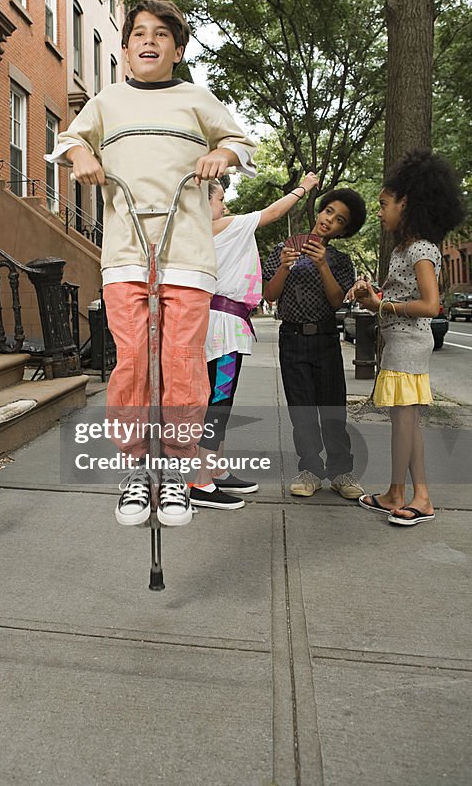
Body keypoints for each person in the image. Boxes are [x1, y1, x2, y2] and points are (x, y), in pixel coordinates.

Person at [46, 0, 257, 527]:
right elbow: (70, 138)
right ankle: (136, 465)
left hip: (185, 254)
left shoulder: (196, 99)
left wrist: (220, 155)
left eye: (161, 35)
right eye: (139, 33)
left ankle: (183, 469)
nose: (149, 41)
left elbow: (238, 140)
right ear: (123, 50)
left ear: (178, 50)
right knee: (135, 357)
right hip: (125, 253)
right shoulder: (107, 101)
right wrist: (83, 157)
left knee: (182, 359)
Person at [190, 171, 319, 510]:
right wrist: (303, 187)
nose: (224, 205)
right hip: (223, 326)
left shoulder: (204, 233)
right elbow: (274, 213)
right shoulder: (224, 227)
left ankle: (214, 469)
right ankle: (200, 481)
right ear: (203, 203)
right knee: (218, 401)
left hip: (222, 322)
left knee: (219, 399)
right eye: (219, 199)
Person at [349, 149, 464, 526]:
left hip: (409, 345)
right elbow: (389, 302)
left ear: (406, 203)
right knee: (407, 422)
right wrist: (371, 298)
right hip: (399, 343)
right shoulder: (403, 249)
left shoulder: (420, 249)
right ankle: (420, 496)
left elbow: (431, 306)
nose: (379, 212)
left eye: (384, 204)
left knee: (403, 422)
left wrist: (387, 307)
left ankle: (398, 493)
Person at [262, 188, 367, 499]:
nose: (329, 220)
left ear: (343, 230)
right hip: (291, 337)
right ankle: (309, 469)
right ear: (319, 211)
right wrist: (283, 266)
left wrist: (322, 266)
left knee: (333, 406)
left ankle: (341, 472)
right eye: (328, 212)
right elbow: (269, 295)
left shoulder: (339, 260)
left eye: (339, 220)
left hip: (325, 337)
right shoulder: (283, 248)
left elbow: (337, 301)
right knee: (302, 410)